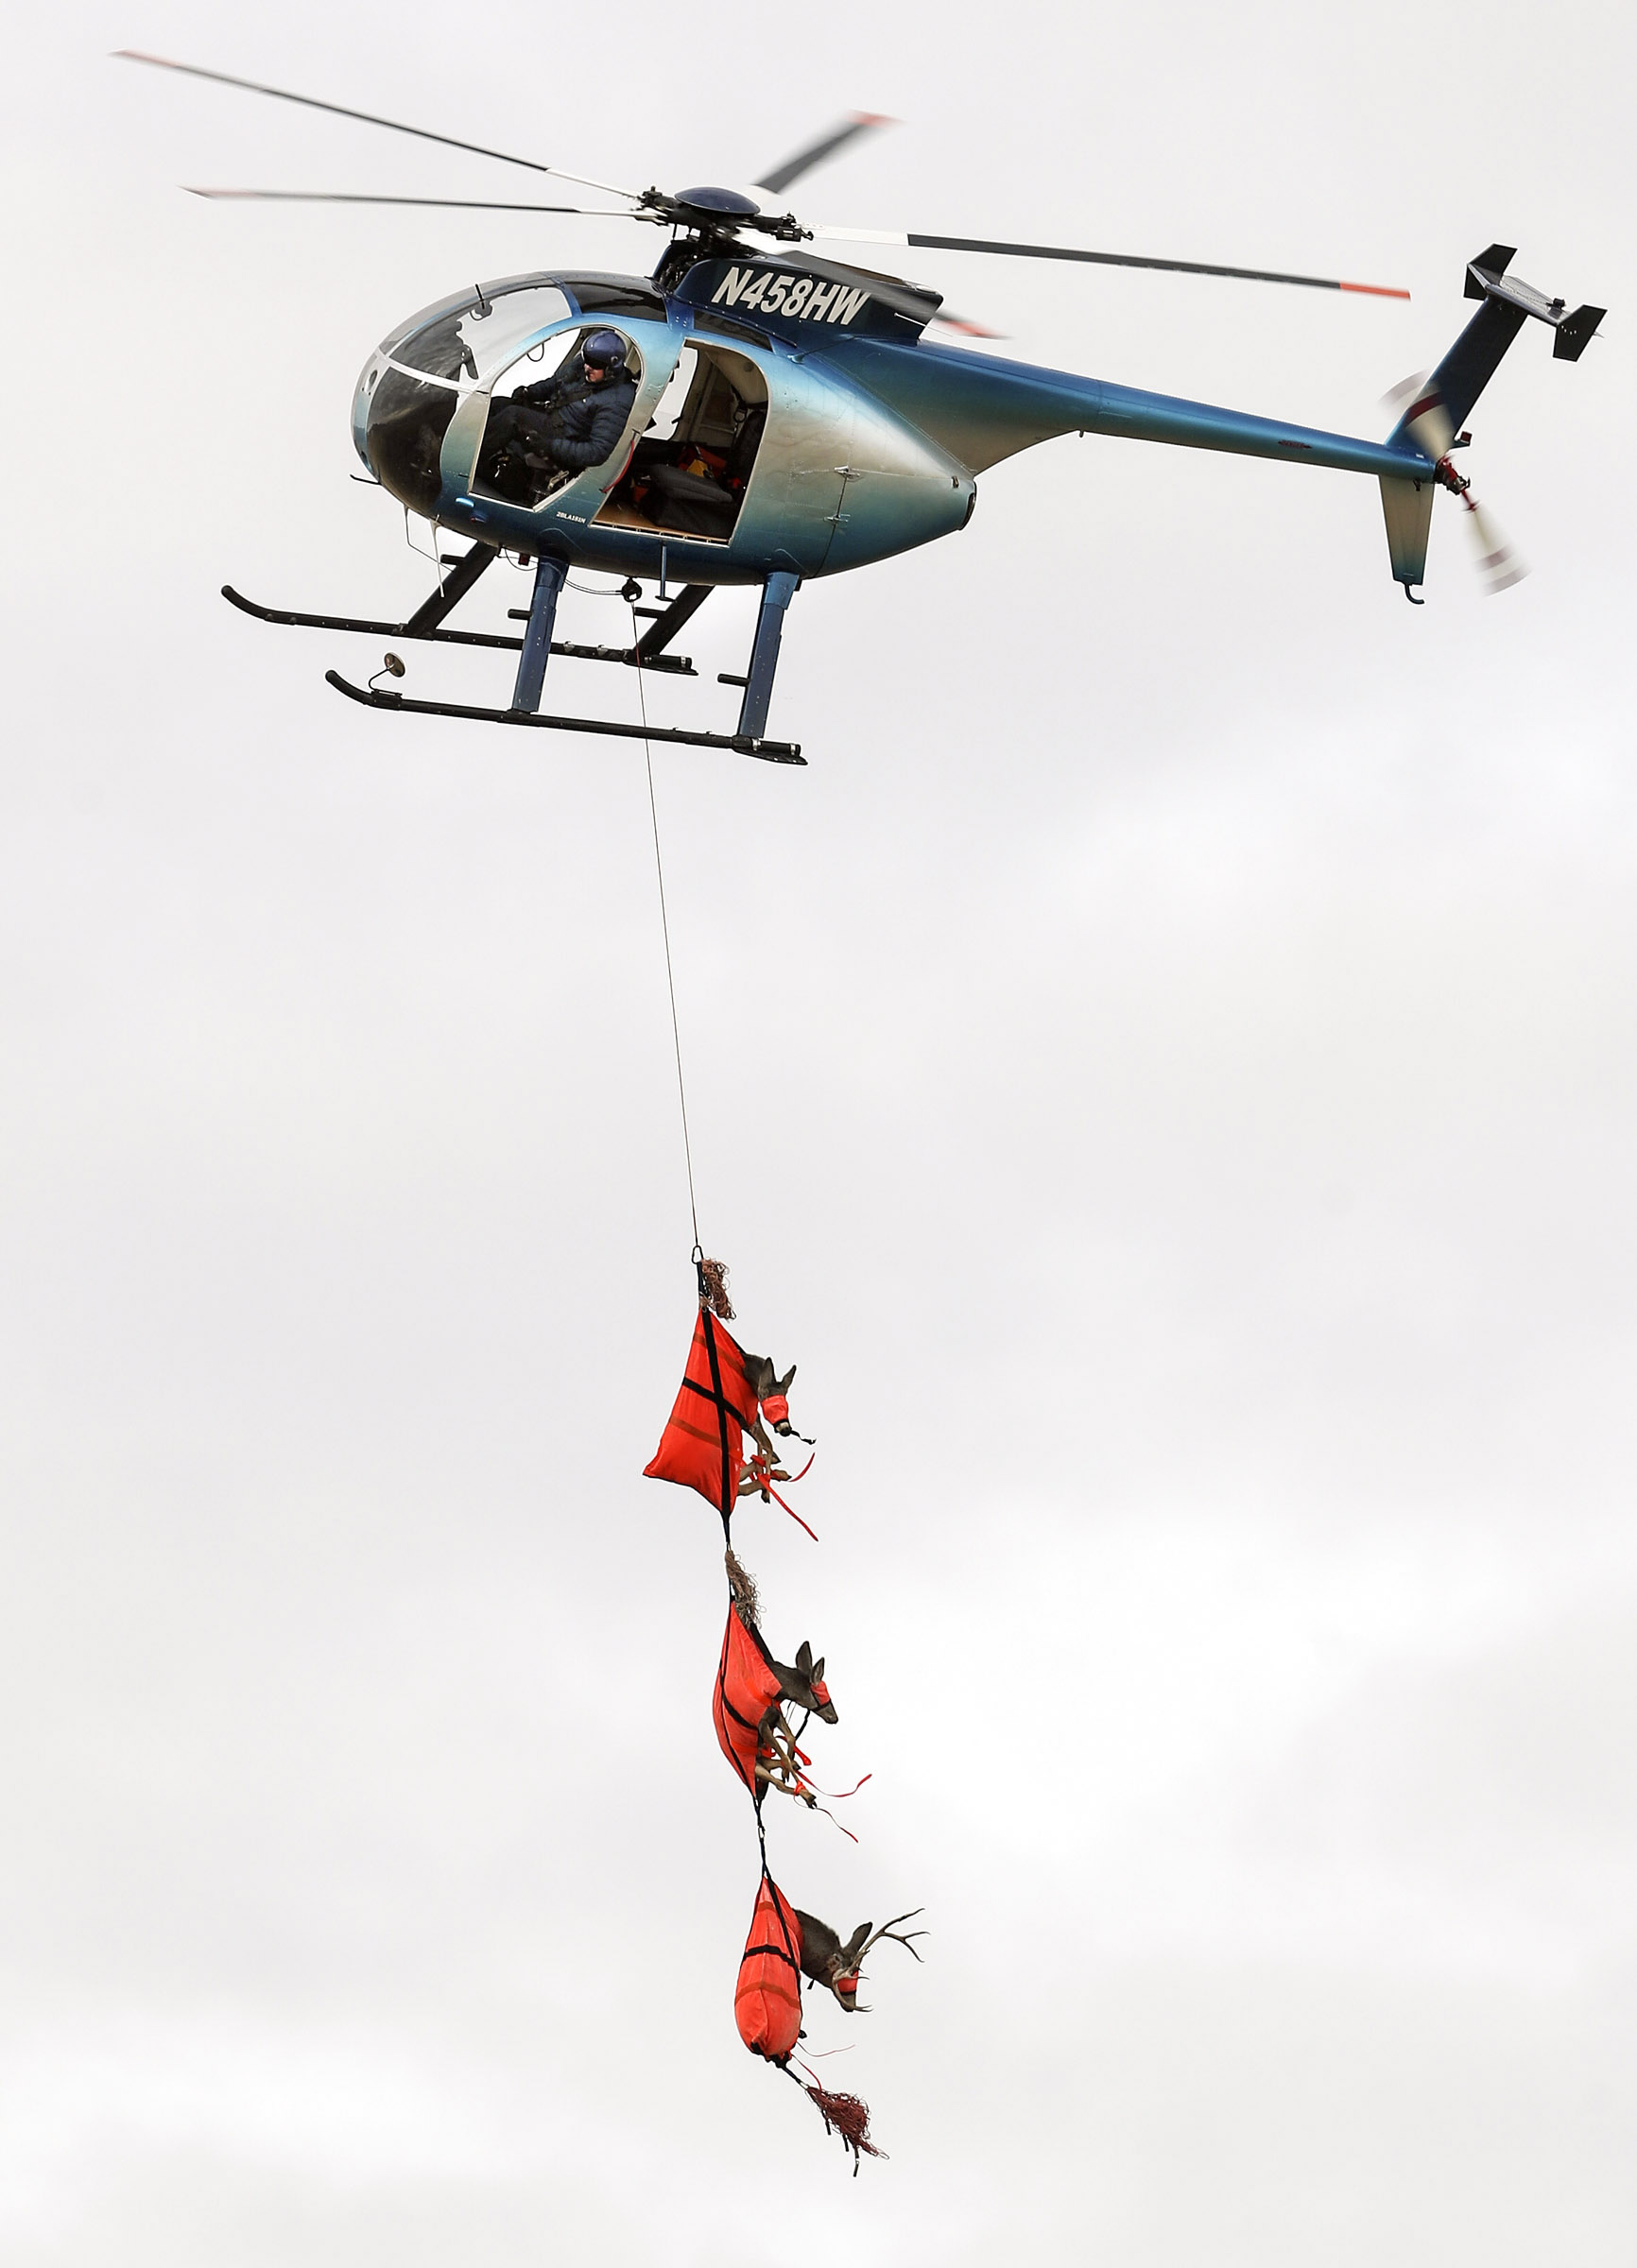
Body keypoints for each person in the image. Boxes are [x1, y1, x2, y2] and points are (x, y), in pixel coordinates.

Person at [481, 330, 638, 490]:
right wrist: (530, 392)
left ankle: (469, 460)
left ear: (611, 369)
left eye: (595, 365)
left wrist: (551, 446)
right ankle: (472, 444)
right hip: (551, 416)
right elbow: (557, 382)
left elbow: (597, 452)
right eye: (587, 360)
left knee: (512, 416)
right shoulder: (582, 366)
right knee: (498, 404)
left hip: (564, 437)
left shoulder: (617, 400)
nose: (587, 367)